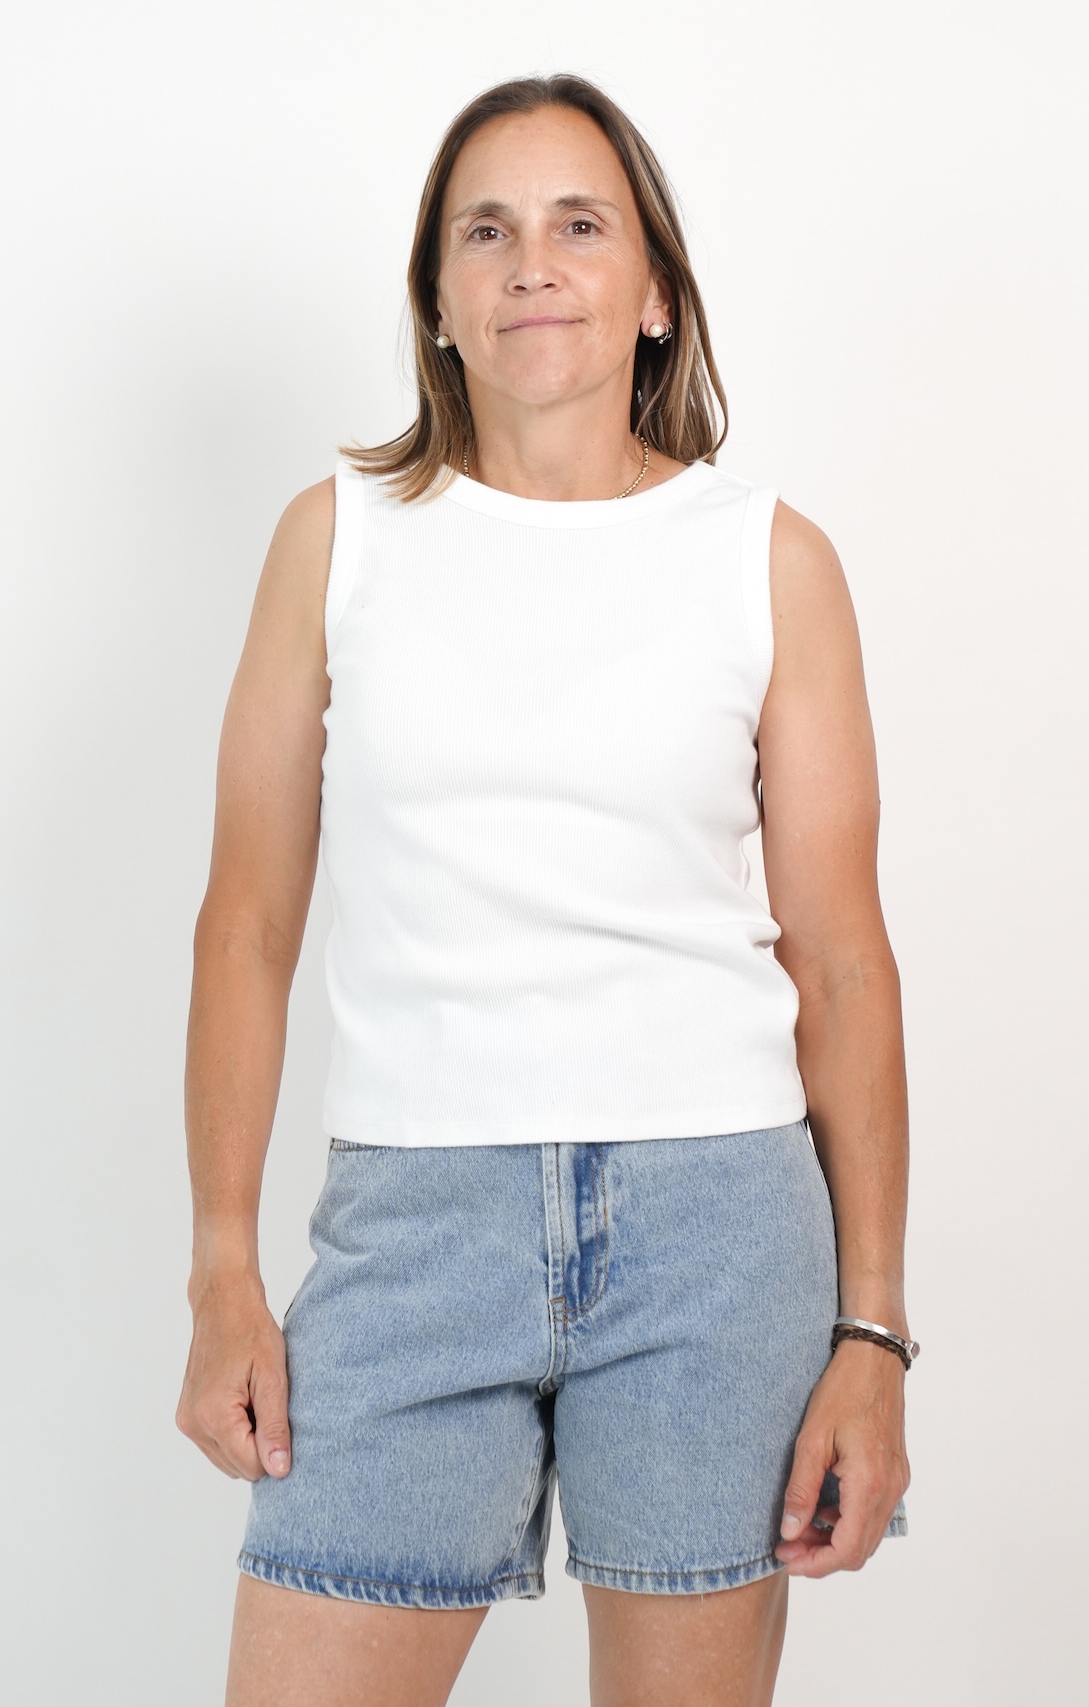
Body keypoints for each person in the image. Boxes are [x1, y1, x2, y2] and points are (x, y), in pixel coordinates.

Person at [176, 72, 914, 1707]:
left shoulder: (767, 560)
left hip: (714, 1233)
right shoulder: (336, 541)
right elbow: (246, 926)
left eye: (579, 225)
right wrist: (222, 1261)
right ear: (437, 301)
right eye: (484, 232)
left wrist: (870, 1333)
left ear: (652, 290)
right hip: (412, 1235)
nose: (531, 265)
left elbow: (842, 963)